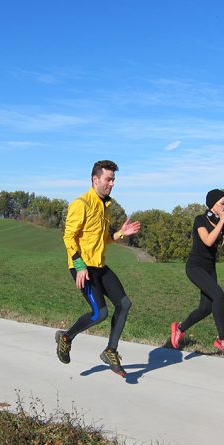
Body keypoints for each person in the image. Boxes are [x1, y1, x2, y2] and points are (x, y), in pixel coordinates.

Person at [55, 160, 141, 376]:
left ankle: (110, 350)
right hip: (82, 267)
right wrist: (79, 264)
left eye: (113, 180)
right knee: (100, 313)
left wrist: (121, 234)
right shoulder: (81, 204)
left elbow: (103, 238)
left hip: (99, 265)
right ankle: (66, 337)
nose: (112, 184)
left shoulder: (105, 206)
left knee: (124, 303)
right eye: (108, 179)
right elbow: (68, 237)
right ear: (95, 180)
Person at [169, 189, 224, 356]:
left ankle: (179, 328)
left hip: (210, 269)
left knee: (206, 308)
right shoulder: (200, 219)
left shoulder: (223, 223)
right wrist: (222, 221)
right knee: (219, 295)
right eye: (222, 203)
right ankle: (222, 339)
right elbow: (208, 240)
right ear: (212, 203)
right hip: (195, 267)